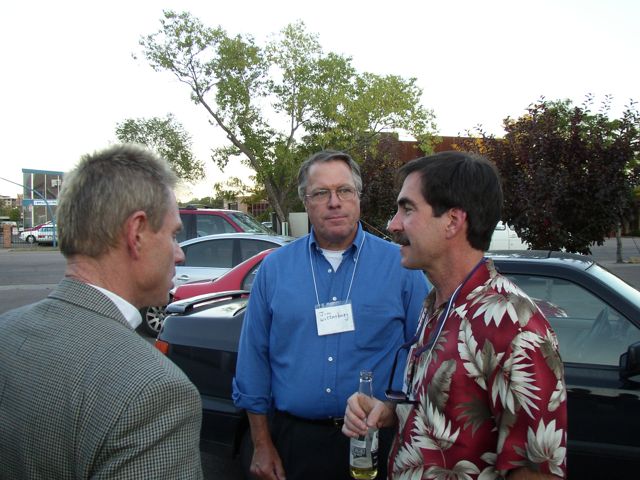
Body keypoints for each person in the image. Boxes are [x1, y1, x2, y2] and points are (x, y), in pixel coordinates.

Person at [343, 151, 568, 479]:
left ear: (452, 221)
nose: (393, 224)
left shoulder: (514, 325)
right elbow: (443, 414)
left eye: (407, 209)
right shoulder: (436, 305)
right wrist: (390, 412)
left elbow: (537, 470)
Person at [0, 144, 203, 479]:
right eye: (173, 235)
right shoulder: (155, 390)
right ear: (137, 234)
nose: (179, 254)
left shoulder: (6, 330)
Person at [232, 149, 429, 480]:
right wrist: (261, 444)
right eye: (321, 193)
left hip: (377, 440)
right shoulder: (274, 269)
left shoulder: (402, 267)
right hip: (295, 443)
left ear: (358, 197)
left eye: (344, 190)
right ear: (306, 202)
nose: (334, 202)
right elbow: (253, 359)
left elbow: (423, 354)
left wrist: (394, 410)